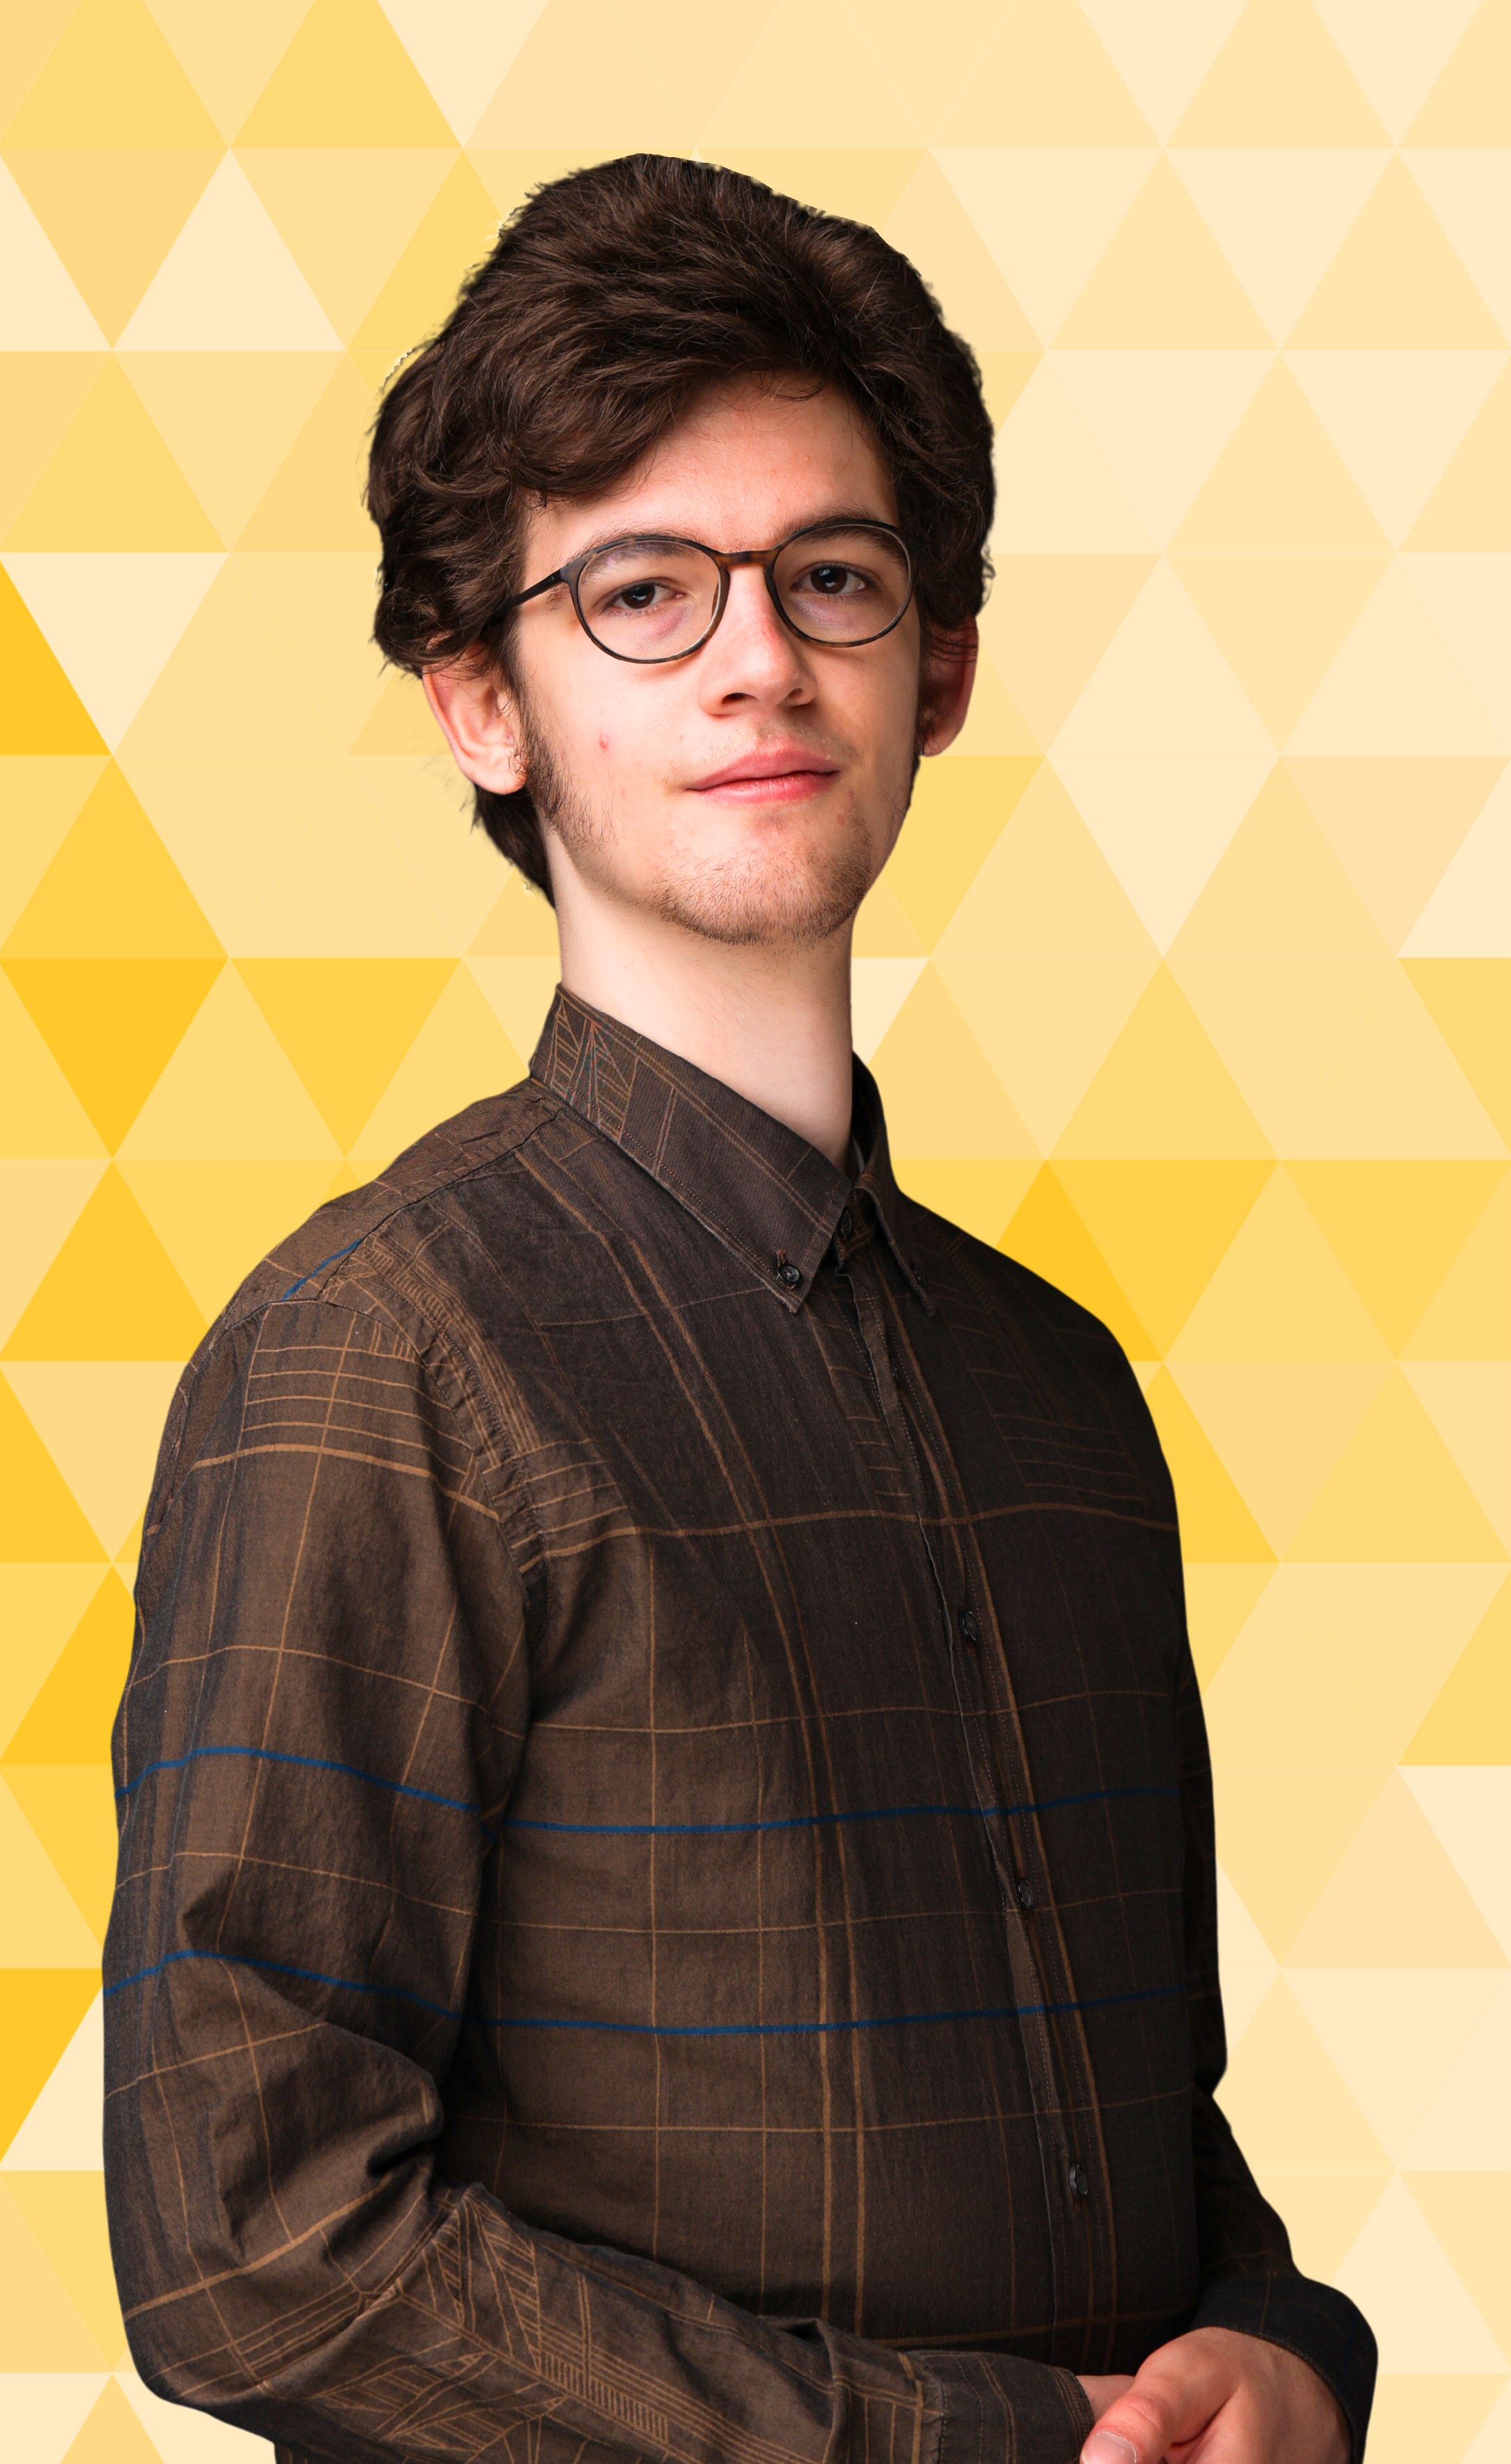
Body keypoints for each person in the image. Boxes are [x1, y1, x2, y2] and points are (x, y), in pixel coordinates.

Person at [102, 154, 1376, 2464]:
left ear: (942, 668)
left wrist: (1285, 2345)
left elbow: (1136, 2135)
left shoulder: (1063, 1398)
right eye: (643, 592)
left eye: (832, 577)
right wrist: (956, 2443)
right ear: (482, 700)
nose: (760, 654)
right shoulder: (375, 1359)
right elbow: (251, 2240)